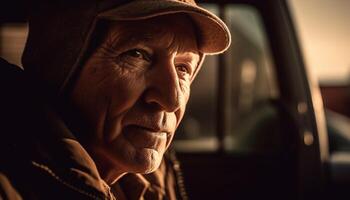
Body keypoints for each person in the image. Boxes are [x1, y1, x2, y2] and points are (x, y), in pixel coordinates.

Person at [0, 0, 230, 199]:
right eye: (137, 54)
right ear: (59, 66)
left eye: (183, 68)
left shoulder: (152, 183)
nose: (172, 100)